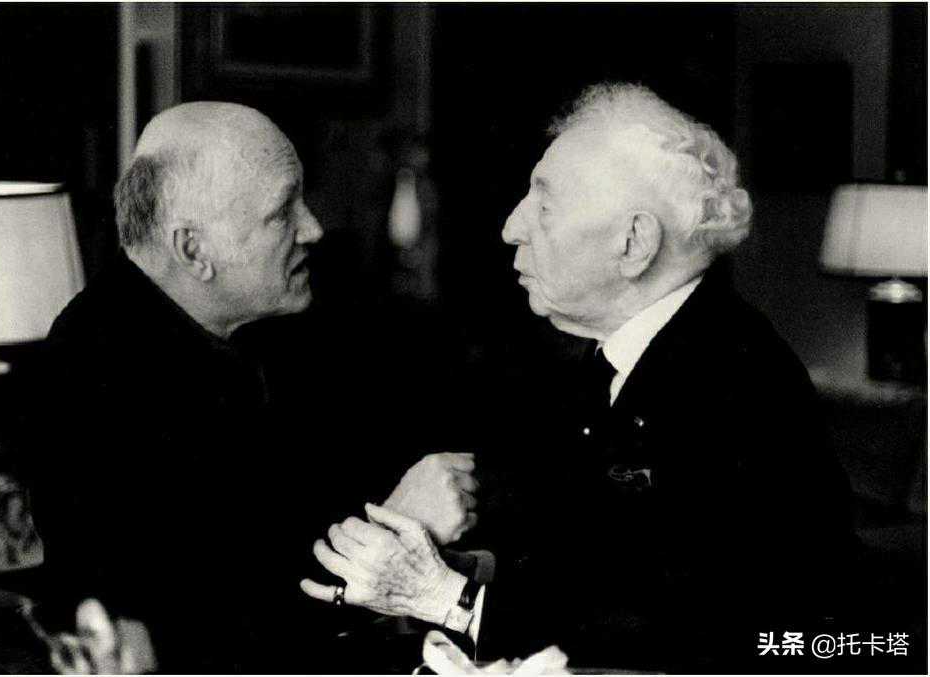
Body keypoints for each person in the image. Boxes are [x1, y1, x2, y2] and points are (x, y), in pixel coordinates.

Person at [302, 83, 856, 672]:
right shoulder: (627, 358)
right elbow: (603, 568)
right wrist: (466, 571)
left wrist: (449, 598)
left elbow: (698, 632)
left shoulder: (731, 384)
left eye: (544, 206)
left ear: (634, 243)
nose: (511, 227)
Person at [24, 102, 477, 672]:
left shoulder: (275, 323)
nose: (313, 228)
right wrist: (396, 535)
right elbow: (201, 632)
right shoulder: (93, 378)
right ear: (194, 250)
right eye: (282, 212)